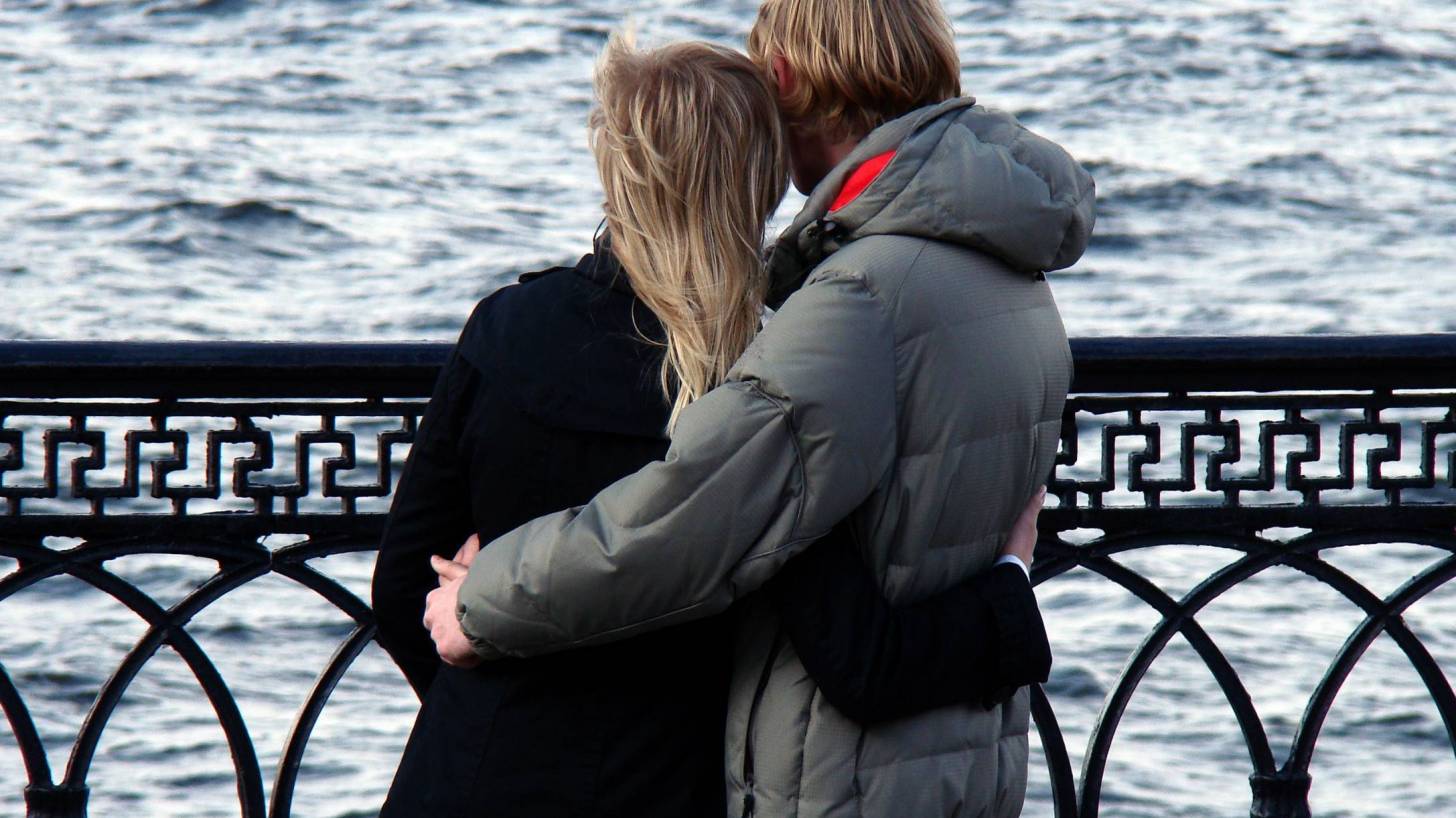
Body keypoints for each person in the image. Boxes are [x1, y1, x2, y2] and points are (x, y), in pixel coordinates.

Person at [425, 1, 1094, 815]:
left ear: (783, 79)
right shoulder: (1006, 264)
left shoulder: (862, 296)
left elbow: (689, 521)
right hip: (955, 760)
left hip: (839, 778)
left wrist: (480, 600)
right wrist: (1010, 592)